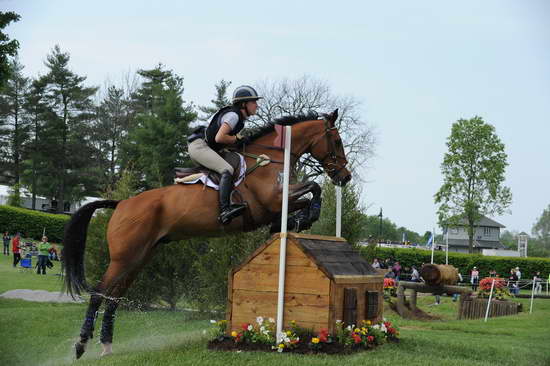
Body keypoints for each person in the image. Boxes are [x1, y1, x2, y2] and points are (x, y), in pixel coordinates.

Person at [187, 85, 262, 225]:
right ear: (244, 104)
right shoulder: (233, 116)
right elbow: (219, 138)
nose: (257, 106)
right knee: (226, 170)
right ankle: (225, 210)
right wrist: (237, 139)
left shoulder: (238, 118)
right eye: (254, 102)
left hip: (209, 148)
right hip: (199, 147)